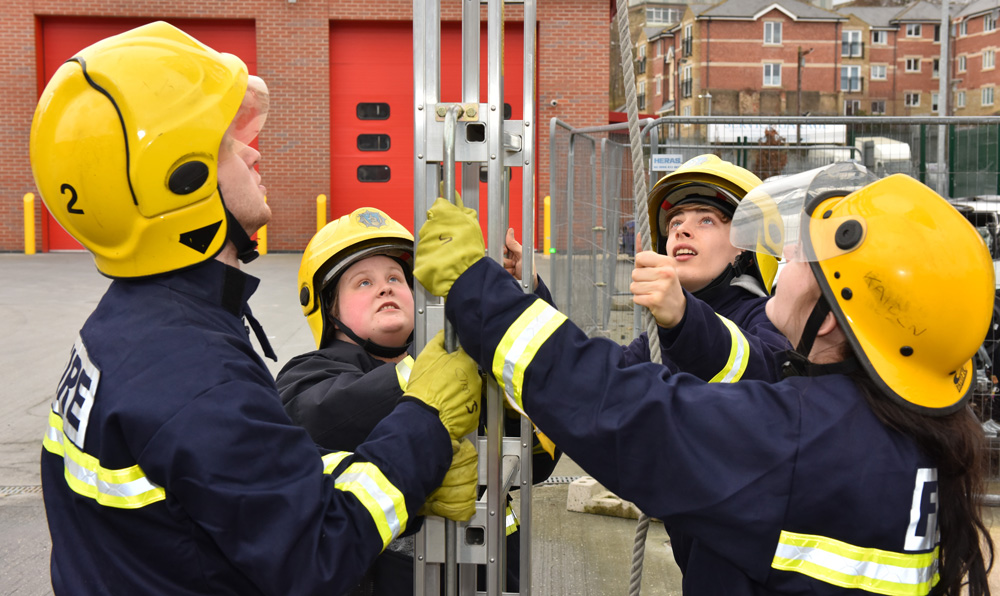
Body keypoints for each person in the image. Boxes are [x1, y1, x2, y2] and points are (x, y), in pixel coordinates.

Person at [32, 22, 481, 595]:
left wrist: (391, 476)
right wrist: (426, 427)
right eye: (224, 141)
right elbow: (315, 555)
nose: (253, 149)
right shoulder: (194, 373)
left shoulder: (135, 326)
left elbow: (238, 483)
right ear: (176, 180)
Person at [412, 164, 996, 595]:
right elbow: (712, 372)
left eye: (799, 259)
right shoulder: (891, 424)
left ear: (830, 320)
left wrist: (475, 289)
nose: (780, 262)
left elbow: (621, 405)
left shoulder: (797, 438)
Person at [277, 207, 559, 594]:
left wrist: (520, 302)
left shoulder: (464, 365)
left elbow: (541, 452)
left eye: (396, 277)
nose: (385, 287)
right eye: (362, 283)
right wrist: (430, 371)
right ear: (328, 308)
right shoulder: (307, 375)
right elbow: (323, 415)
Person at [624, 154, 789, 382]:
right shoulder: (658, 336)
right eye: (675, 223)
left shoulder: (770, 318)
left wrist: (684, 319)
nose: (682, 230)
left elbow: (769, 374)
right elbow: (601, 383)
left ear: (747, 247)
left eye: (706, 220)